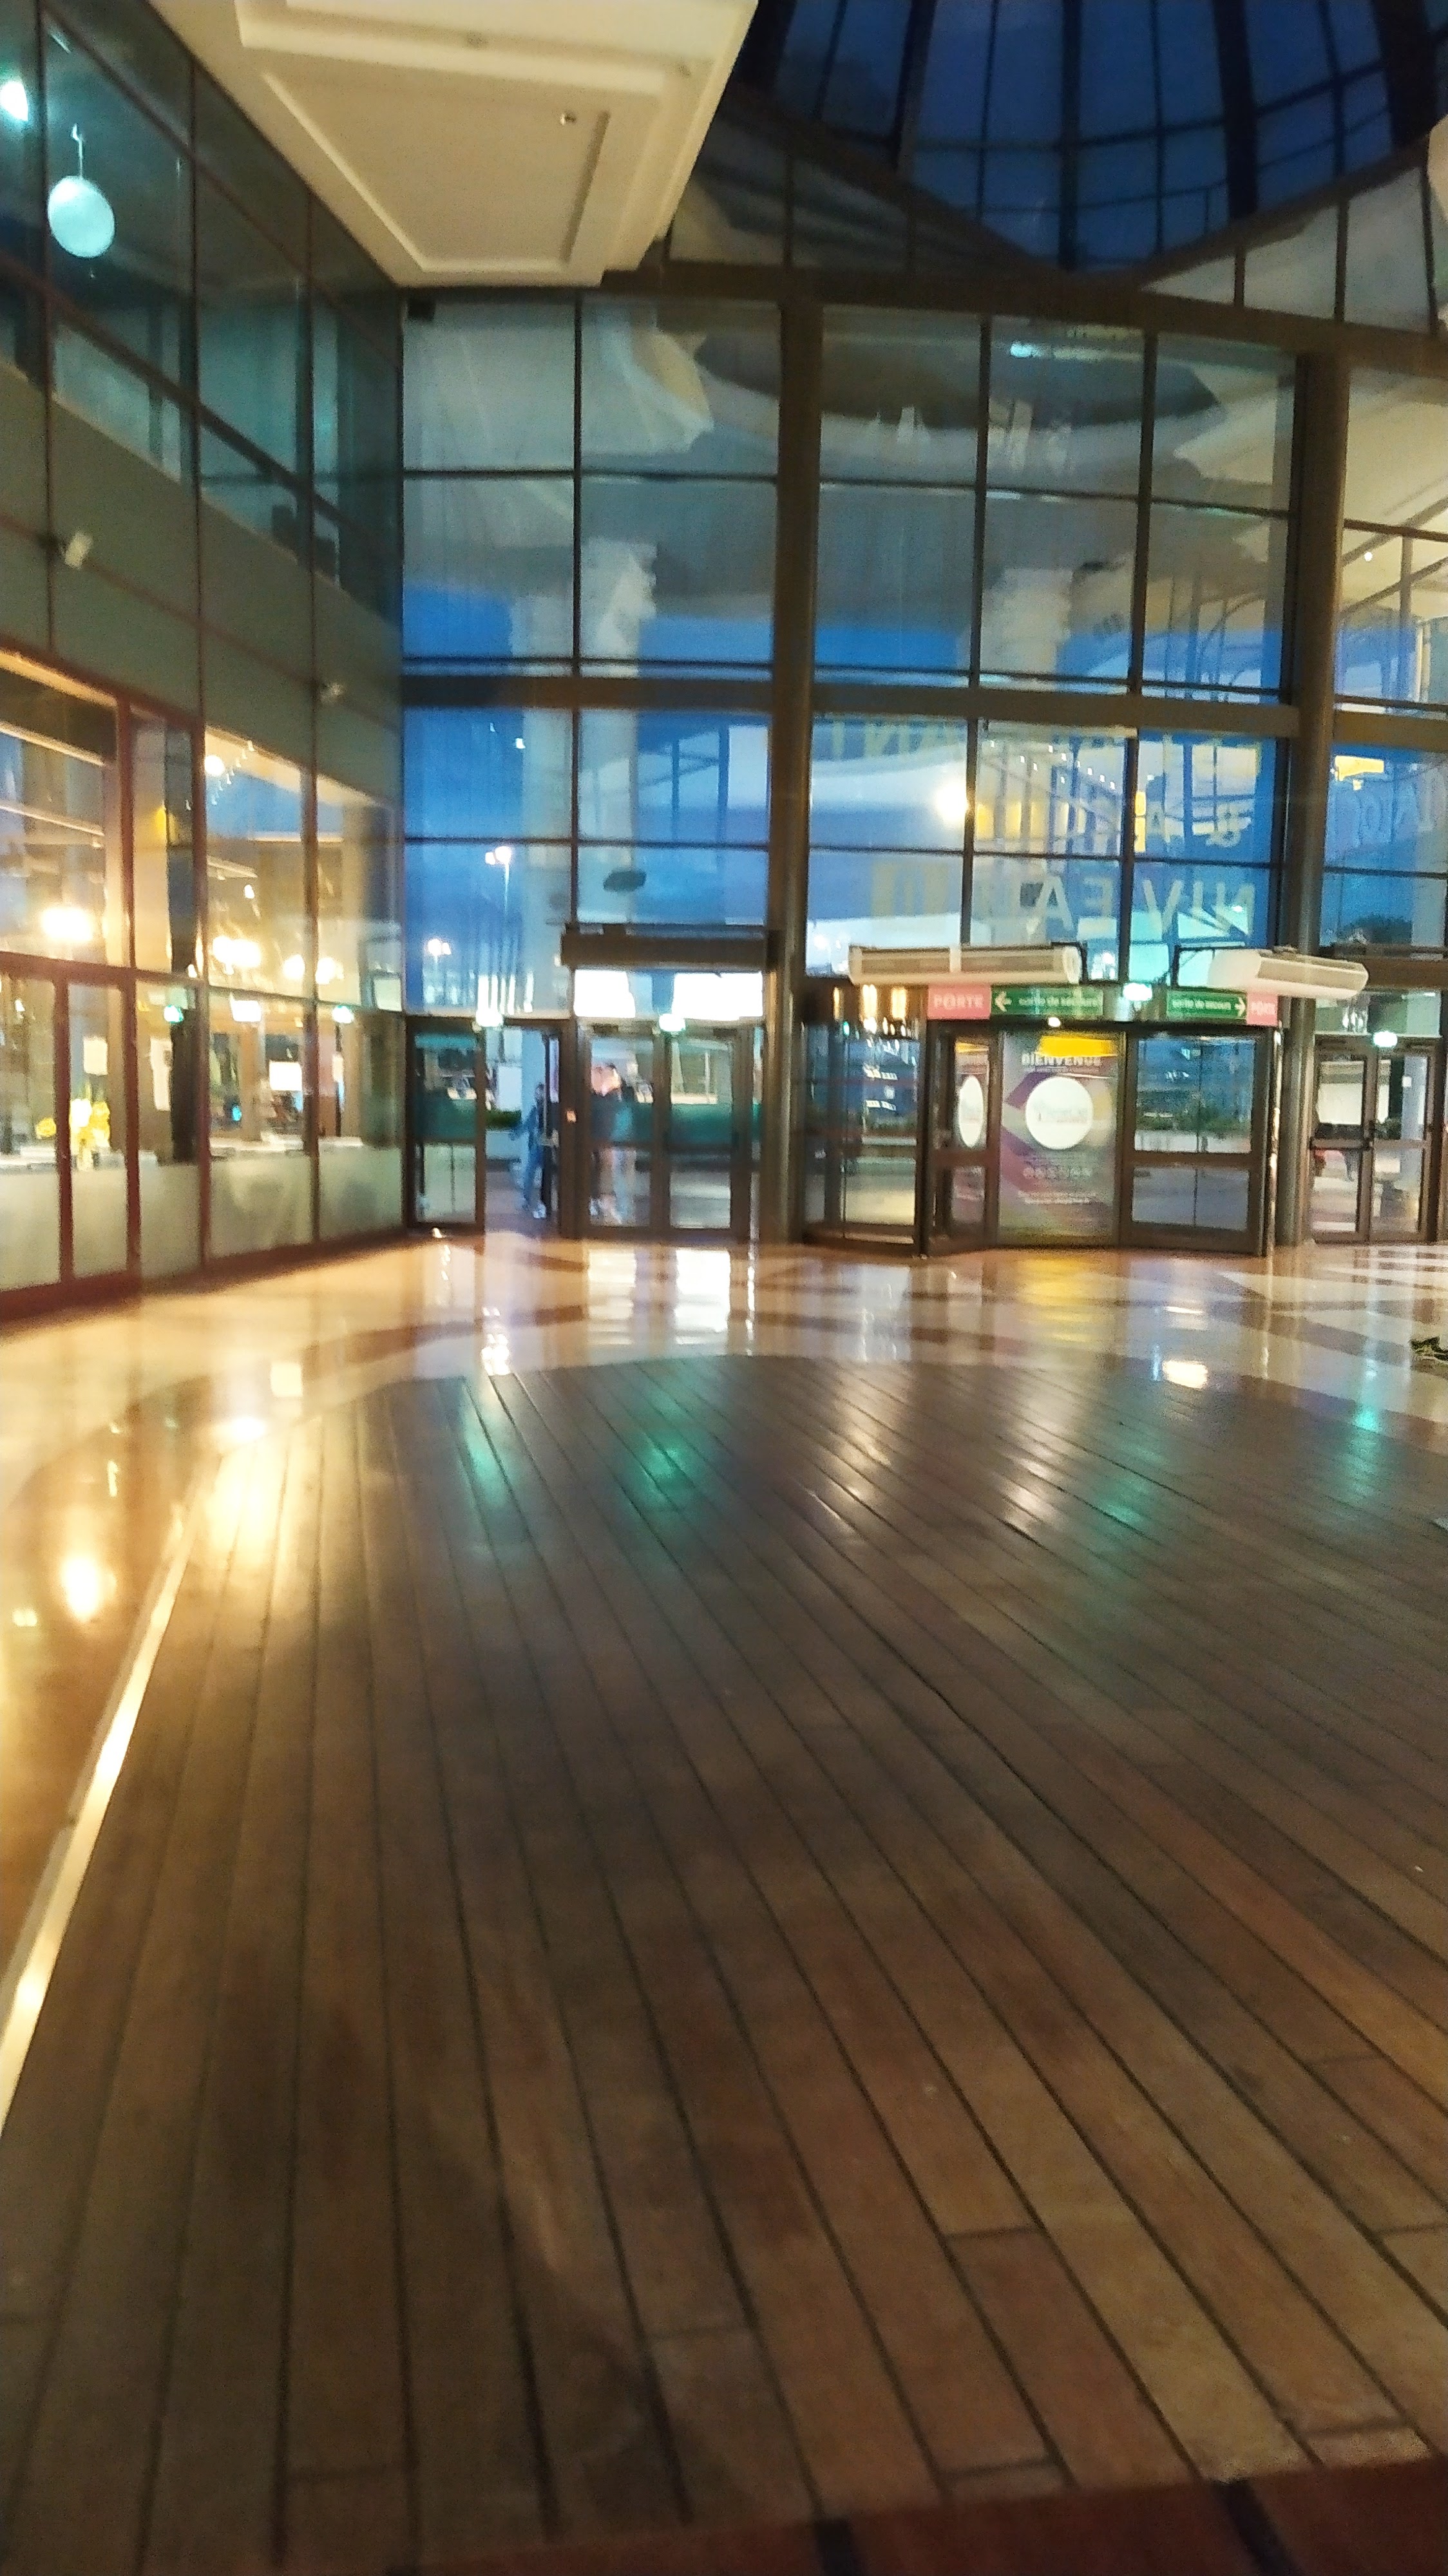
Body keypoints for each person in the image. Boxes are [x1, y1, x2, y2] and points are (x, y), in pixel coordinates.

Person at [519, 1083, 548, 1217]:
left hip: (542, 1145)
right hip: (536, 1145)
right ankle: (527, 1199)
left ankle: (533, 1200)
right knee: (530, 1172)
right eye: (536, 1093)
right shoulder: (535, 1109)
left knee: (534, 1172)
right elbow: (528, 1125)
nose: (537, 1096)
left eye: (540, 1093)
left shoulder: (545, 1110)